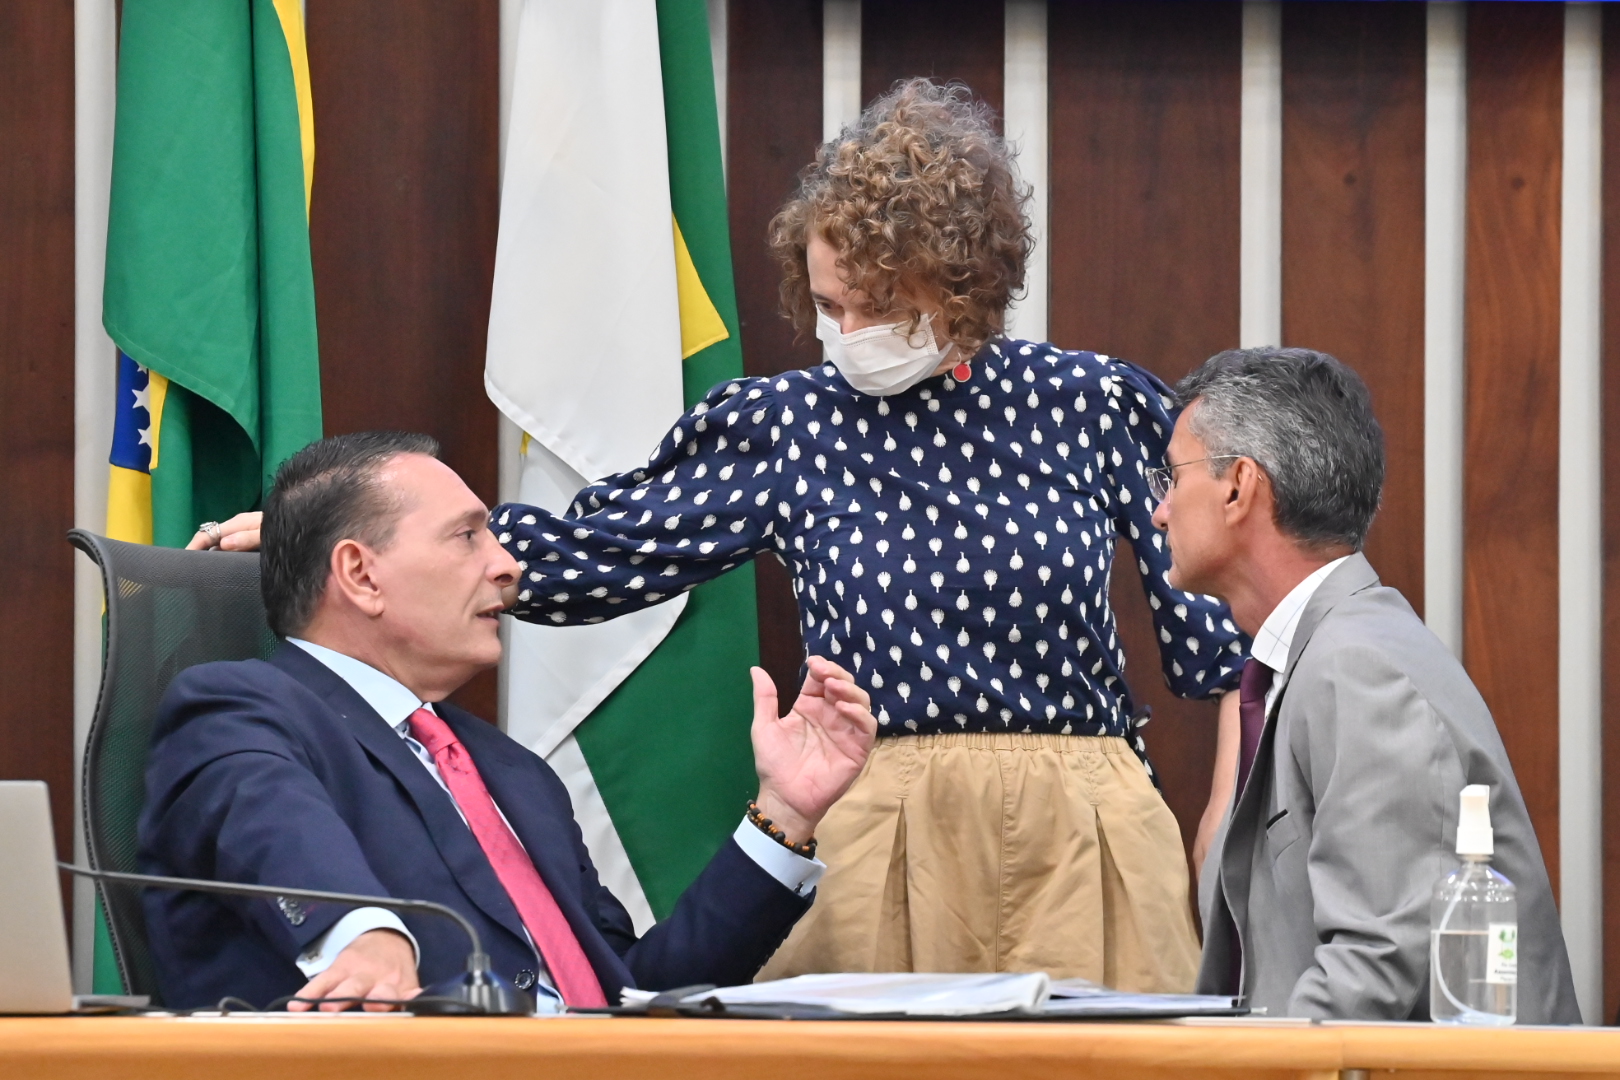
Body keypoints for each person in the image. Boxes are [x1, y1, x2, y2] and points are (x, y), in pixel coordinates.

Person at [191, 79, 1246, 990]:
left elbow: (1225, 634)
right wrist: (323, 533)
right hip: (876, 818)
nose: (846, 334)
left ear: (963, 282)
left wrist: (1227, 820)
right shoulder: (787, 425)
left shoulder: (1092, 404)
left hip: (1082, 828)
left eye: (878, 306)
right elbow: (602, 552)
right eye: (828, 304)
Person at [142, 431, 876, 1012]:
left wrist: (784, 815)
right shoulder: (237, 712)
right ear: (361, 575)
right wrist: (364, 936)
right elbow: (269, 828)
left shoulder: (513, 774)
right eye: (468, 537)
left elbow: (634, 994)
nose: (510, 566)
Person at [1151, 347, 1579, 1022]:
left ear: (1238, 487)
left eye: (1171, 478)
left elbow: (1379, 963)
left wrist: (1231, 1065)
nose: (1159, 512)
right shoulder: (1323, 655)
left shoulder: (1358, 668)